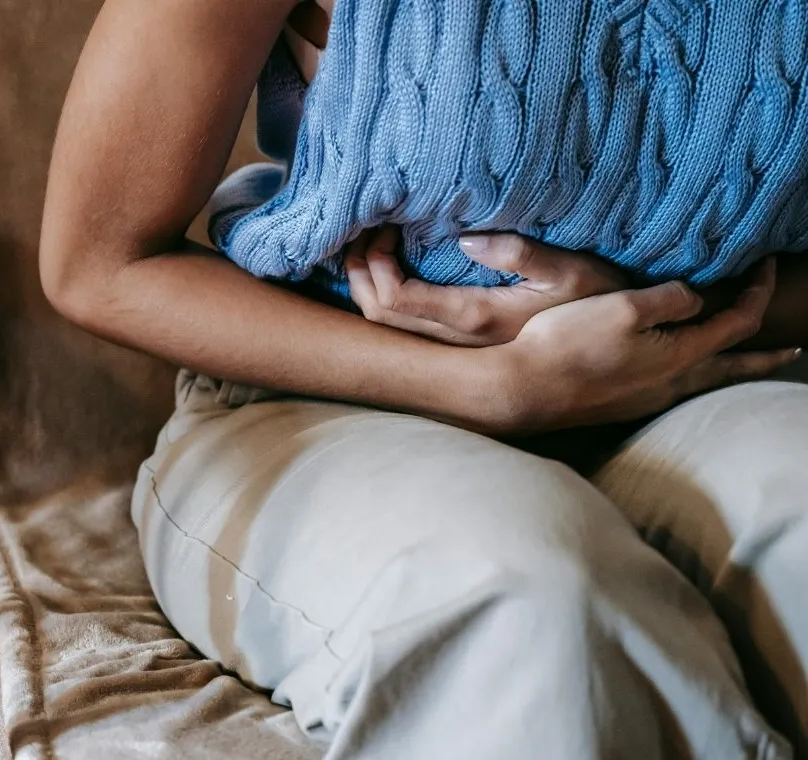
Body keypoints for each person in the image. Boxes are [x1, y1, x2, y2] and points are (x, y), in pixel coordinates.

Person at [39, 1, 808, 757]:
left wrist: (638, 315)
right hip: (324, 406)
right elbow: (99, 262)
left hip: (691, 384)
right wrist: (493, 388)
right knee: (534, 605)